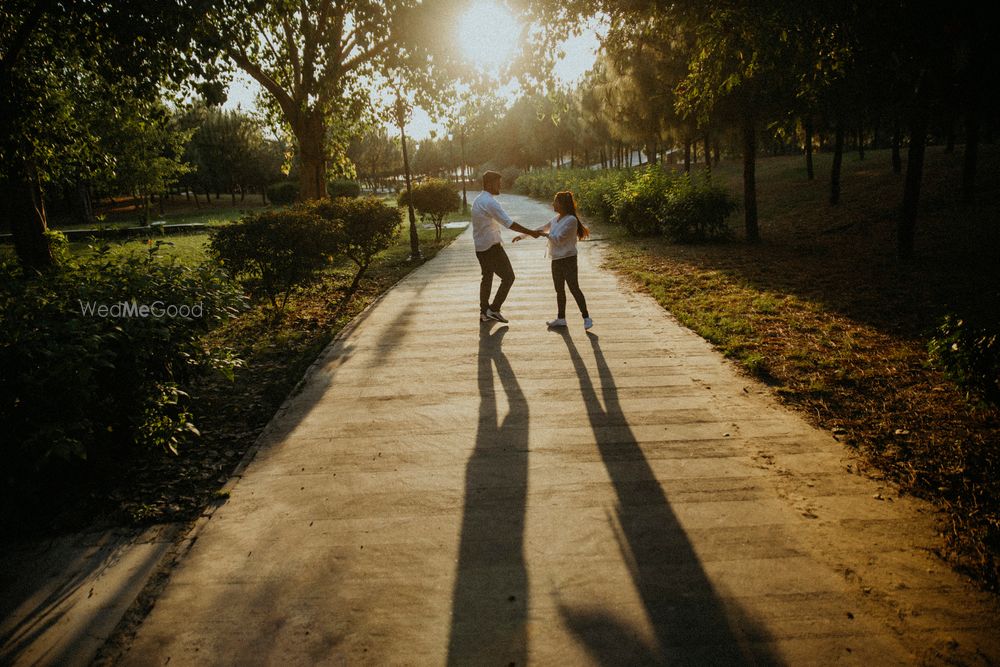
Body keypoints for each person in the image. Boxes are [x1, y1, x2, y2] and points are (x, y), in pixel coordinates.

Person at [513, 190, 592, 330]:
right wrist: (522, 235)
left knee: (574, 288)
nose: (553, 203)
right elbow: (542, 228)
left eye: (555, 201)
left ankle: (586, 317)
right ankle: (561, 318)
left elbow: (559, 239)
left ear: (562, 204)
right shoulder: (556, 219)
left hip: (568, 259)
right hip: (556, 259)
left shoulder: (571, 220)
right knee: (559, 290)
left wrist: (544, 235)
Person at [471, 171, 541, 323]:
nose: (500, 186)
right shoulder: (490, 202)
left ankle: (484, 312)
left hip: (480, 246)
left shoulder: (478, 199)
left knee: (487, 277)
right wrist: (531, 232)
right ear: (489, 184)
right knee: (509, 277)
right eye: (497, 183)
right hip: (491, 247)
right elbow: (509, 223)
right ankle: (494, 309)